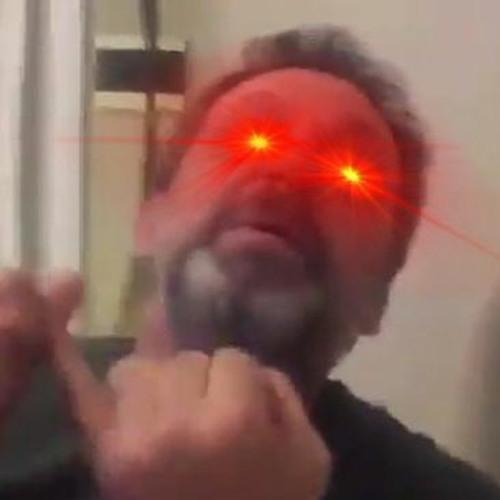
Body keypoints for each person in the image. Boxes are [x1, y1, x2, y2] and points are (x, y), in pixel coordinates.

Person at [0, 25, 499, 500]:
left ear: (378, 296)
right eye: (249, 137)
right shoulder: (13, 395)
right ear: (149, 218)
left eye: (351, 173)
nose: (288, 172)